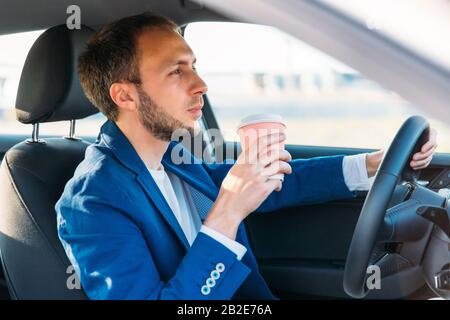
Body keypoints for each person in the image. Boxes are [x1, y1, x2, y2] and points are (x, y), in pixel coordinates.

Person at [55, 12, 437, 300]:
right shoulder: (92, 201)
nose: (200, 84)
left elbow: (268, 185)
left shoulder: (174, 155)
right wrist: (227, 213)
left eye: (194, 66)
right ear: (125, 96)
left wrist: (373, 164)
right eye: (176, 71)